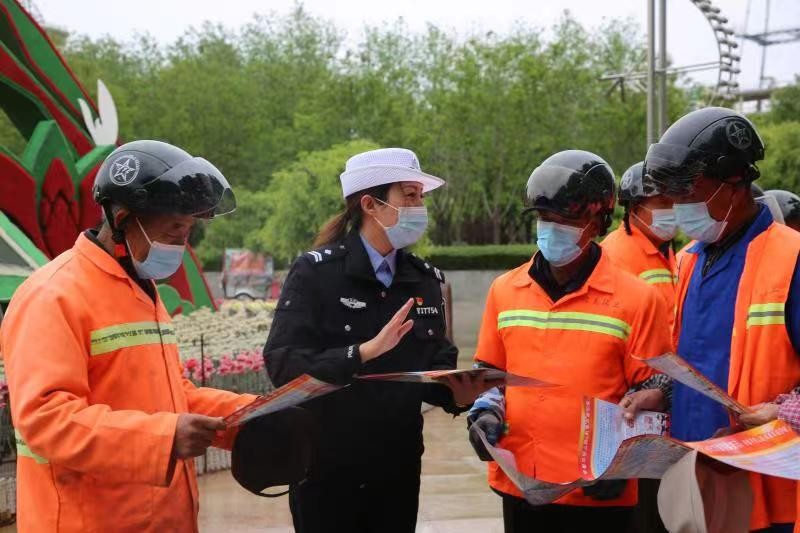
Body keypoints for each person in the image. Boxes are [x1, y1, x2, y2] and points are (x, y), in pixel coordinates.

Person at [0, 140, 258, 532]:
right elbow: (46, 419)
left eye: (188, 230)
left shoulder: (139, 288)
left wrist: (250, 415)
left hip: (160, 520)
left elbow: (171, 396)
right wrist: (163, 439)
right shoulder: (53, 295)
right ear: (123, 219)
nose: (182, 243)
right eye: (174, 229)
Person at [263, 147, 494, 533]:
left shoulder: (424, 280)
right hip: (326, 473)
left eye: (421, 197)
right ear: (370, 204)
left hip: (396, 473)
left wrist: (460, 393)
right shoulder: (317, 274)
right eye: (409, 195)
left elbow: (434, 364)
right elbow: (283, 364)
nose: (419, 207)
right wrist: (361, 353)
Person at [466, 150, 673, 533]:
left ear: (598, 221)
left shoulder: (637, 299)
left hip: (598, 490)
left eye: (566, 219)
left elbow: (654, 390)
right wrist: (485, 414)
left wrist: (624, 461)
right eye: (545, 218)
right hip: (522, 483)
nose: (552, 228)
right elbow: (490, 374)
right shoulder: (505, 290)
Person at [644, 107, 800, 533]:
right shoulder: (688, 261)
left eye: (688, 189)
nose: (678, 205)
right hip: (698, 476)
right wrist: (660, 392)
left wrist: (784, 411)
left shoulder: (791, 258)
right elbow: (691, 356)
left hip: (769, 492)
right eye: (672, 192)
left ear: (734, 180)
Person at [601, 161, 677, 326]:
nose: (672, 210)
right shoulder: (615, 254)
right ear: (634, 208)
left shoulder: (663, 249)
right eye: (664, 203)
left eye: (675, 203)